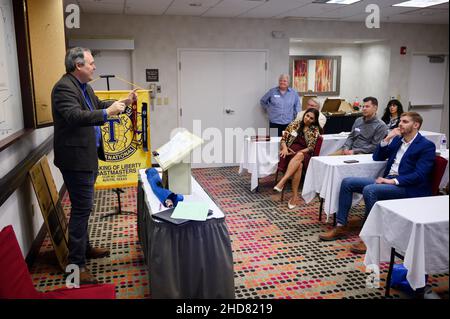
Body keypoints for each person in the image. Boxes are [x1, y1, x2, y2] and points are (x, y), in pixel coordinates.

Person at [52, 47, 137, 284]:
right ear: (78, 66)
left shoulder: (84, 87)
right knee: (81, 209)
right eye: (91, 63)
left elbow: (99, 104)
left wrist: (123, 102)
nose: (95, 67)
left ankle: (85, 248)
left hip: (87, 157)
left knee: (85, 208)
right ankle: (76, 266)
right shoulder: (63, 88)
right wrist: (107, 111)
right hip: (75, 160)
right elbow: (75, 117)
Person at [319, 112, 435, 254]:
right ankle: (341, 225)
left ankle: (370, 237)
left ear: (416, 125)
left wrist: (391, 181)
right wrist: (387, 138)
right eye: (400, 121)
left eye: (405, 121)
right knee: (348, 182)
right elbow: (377, 156)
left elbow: (420, 175)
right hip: (389, 181)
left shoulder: (426, 146)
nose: (400, 124)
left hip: (408, 187)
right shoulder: (399, 140)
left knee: (370, 190)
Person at [273, 108, 322, 209]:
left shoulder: (315, 129)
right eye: (307, 116)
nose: (308, 119)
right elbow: (283, 139)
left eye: (311, 118)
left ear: (314, 120)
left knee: (299, 156)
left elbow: (311, 147)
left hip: (305, 155)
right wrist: (285, 149)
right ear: (304, 115)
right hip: (289, 154)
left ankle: (282, 181)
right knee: (298, 165)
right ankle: (295, 197)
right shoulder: (295, 124)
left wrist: (299, 152)